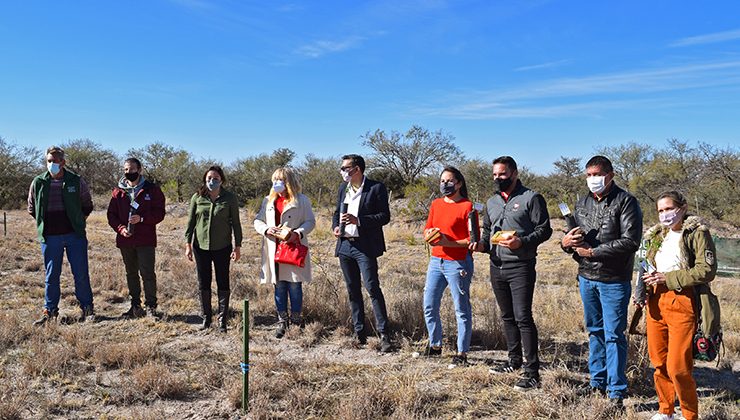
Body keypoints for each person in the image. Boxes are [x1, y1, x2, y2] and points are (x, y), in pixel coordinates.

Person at [560, 155, 642, 409]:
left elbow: (631, 241)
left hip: (614, 280)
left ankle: (616, 390)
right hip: (586, 277)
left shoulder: (626, 201)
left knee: (614, 334)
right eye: (588, 175)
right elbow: (574, 239)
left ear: (610, 175)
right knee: (594, 331)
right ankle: (597, 381)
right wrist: (566, 243)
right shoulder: (582, 201)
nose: (592, 179)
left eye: (597, 174)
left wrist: (595, 252)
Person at [472, 156, 552, 389]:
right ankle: (513, 360)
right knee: (507, 316)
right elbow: (487, 232)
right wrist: (481, 245)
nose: (498, 179)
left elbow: (544, 230)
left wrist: (523, 242)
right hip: (497, 265)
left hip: (521, 266)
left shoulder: (531, 198)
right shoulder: (491, 202)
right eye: (495, 175)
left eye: (503, 174)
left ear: (515, 173)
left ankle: (532, 372)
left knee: (523, 317)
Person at [637, 191, 716, 420]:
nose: (665, 214)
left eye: (669, 209)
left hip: (682, 299)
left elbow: (706, 270)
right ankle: (666, 410)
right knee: (659, 361)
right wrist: (641, 291)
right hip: (655, 301)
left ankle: (689, 415)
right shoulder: (655, 235)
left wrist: (668, 278)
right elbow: (643, 264)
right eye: (660, 210)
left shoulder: (696, 233)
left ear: (682, 207)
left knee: (678, 366)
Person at [332, 154, 392, 352]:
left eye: (345, 168)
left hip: (365, 246)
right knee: (352, 290)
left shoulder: (376, 188)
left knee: (372, 287)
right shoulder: (343, 188)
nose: (342, 171)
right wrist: (335, 227)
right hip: (345, 246)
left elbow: (384, 216)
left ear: (356, 169)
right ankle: (360, 332)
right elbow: (336, 213)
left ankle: (384, 334)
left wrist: (359, 220)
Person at [28, 146, 95, 324]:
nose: (51, 164)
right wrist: (47, 224)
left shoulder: (76, 180)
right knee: (51, 275)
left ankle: (87, 308)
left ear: (63, 162)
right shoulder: (38, 182)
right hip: (50, 237)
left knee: (80, 273)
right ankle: (49, 311)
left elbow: (87, 205)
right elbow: (32, 209)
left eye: (55, 161)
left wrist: (77, 222)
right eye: (49, 161)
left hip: (75, 236)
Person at [421, 166, 476, 367]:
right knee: (429, 304)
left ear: (459, 183)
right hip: (436, 261)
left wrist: (447, 242)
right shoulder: (436, 204)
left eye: (449, 181)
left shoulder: (468, 207)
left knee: (461, 308)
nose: (445, 184)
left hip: (458, 262)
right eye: (442, 181)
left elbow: (472, 240)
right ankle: (435, 345)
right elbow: (428, 228)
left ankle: (462, 353)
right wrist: (428, 235)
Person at [254, 167, 316, 338]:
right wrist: (266, 229)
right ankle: (282, 321)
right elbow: (258, 220)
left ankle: (296, 321)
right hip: (274, 250)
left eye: (280, 180)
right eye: (274, 180)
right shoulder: (268, 201)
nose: (277, 183)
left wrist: (297, 233)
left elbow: (310, 222)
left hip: (293, 248)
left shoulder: (302, 200)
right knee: (279, 286)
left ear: (289, 181)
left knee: (295, 286)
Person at [106, 157, 166, 319]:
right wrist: (121, 229)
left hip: (145, 240)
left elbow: (160, 213)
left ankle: (151, 307)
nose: (128, 172)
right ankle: (135, 306)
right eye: (126, 170)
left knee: (147, 273)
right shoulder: (118, 191)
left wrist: (142, 219)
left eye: (132, 169)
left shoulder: (151, 189)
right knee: (131, 273)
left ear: (139, 170)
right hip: (125, 240)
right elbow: (111, 215)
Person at [185, 166, 242, 332]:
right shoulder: (197, 197)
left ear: (221, 180)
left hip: (222, 247)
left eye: (216, 178)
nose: (212, 181)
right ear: (205, 179)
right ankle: (206, 318)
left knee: (222, 281)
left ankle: (222, 320)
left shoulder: (229, 198)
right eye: (209, 178)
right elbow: (190, 223)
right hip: (200, 246)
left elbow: (236, 224)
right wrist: (188, 244)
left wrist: (238, 246)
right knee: (204, 282)